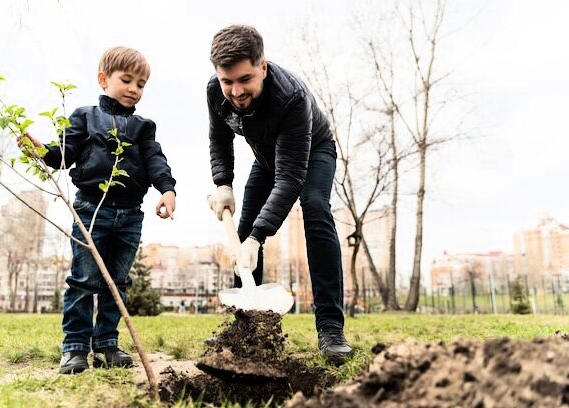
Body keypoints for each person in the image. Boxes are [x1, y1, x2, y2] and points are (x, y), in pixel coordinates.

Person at [19, 46, 176, 374]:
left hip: (130, 215)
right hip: (92, 210)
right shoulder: (84, 116)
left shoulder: (144, 127)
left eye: (142, 84)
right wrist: (41, 151)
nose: (134, 89)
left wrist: (167, 189)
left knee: (117, 281)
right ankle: (74, 347)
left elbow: (155, 160)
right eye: (127, 80)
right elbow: (64, 154)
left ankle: (106, 345)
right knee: (84, 278)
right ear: (104, 79)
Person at [206, 25, 354, 364]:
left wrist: (260, 238)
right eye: (228, 81)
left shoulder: (291, 97)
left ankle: (330, 327)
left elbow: (290, 178)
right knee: (243, 228)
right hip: (266, 155)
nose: (236, 90)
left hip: (313, 150)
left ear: (263, 66)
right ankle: (244, 330)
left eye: (245, 79)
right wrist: (223, 184)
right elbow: (219, 139)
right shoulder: (216, 90)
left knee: (315, 208)